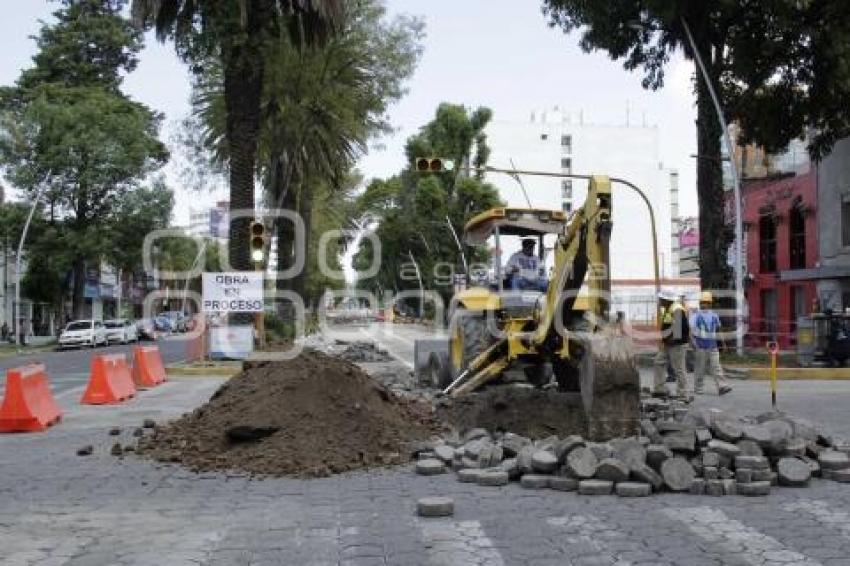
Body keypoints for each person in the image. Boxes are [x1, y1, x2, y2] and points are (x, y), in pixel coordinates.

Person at [691, 291, 733, 395]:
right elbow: (690, 331)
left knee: (717, 366)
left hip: (712, 345)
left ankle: (722, 386)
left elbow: (718, 330)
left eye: (706, 302)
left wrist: (723, 343)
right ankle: (698, 388)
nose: (704, 304)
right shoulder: (695, 316)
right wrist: (693, 343)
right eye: (702, 302)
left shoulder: (714, 316)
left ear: (710, 304)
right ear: (700, 303)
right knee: (700, 368)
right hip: (700, 345)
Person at [653, 289, 691, 400]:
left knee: (679, 368)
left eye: (661, 299)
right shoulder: (669, 308)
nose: (659, 301)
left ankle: (683, 394)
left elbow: (682, 329)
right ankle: (660, 389)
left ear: (666, 300)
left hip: (676, 344)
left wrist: (670, 340)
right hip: (669, 343)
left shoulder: (677, 309)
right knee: (658, 362)